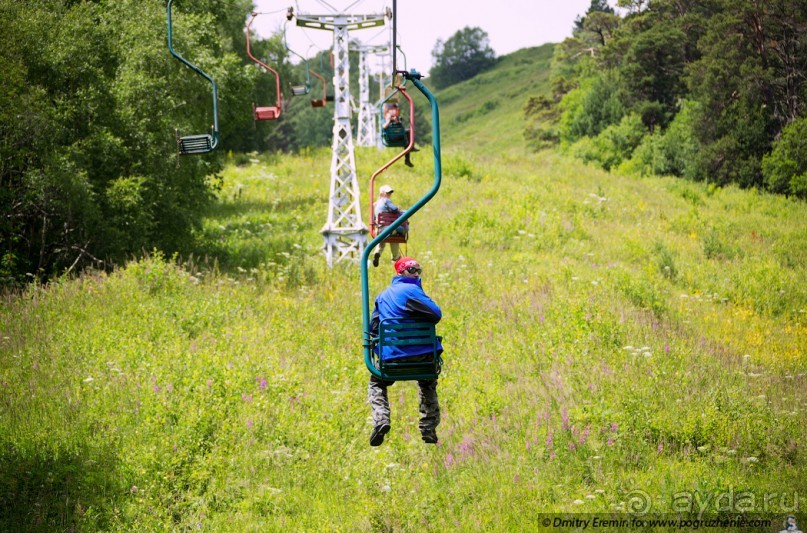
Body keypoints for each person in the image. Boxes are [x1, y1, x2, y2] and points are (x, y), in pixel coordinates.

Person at [369, 256, 443, 446]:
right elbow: (436, 314)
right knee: (427, 380)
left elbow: (373, 327)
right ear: (401, 272)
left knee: (377, 383)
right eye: (412, 270)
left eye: (419, 270)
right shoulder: (413, 291)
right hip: (423, 359)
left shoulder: (383, 296)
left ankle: (381, 419)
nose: (417, 273)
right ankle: (428, 427)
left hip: (392, 359)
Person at [372, 185, 407, 267]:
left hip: (380, 229)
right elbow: (394, 209)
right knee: (395, 238)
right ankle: (396, 257)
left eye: (390, 193)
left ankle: (377, 252)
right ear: (383, 193)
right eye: (387, 193)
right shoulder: (386, 201)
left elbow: (374, 218)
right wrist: (398, 209)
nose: (389, 194)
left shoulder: (376, 204)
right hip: (389, 228)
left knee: (382, 241)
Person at [382, 103, 416, 167]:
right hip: (392, 137)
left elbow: (400, 127)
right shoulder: (387, 121)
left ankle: (408, 155)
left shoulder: (395, 120)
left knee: (407, 141)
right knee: (408, 137)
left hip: (397, 136)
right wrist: (389, 120)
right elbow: (384, 127)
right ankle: (409, 153)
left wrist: (396, 121)